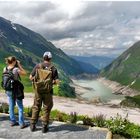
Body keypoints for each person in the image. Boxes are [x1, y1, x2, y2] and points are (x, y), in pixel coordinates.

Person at [29, 51, 59, 133]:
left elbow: (30, 77)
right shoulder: (53, 68)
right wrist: (50, 82)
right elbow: (57, 81)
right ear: (50, 58)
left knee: (36, 107)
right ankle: (44, 127)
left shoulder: (38, 66)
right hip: (48, 92)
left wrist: (38, 81)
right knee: (46, 108)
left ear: (43, 58)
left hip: (38, 91)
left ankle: (32, 125)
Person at [3, 56, 27, 129]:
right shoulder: (16, 69)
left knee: (11, 106)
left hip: (8, 90)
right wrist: (19, 65)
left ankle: (13, 121)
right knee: (20, 106)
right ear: (13, 61)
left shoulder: (5, 68)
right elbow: (25, 73)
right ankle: (21, 123)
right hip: (16, 91)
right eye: (15, 61)